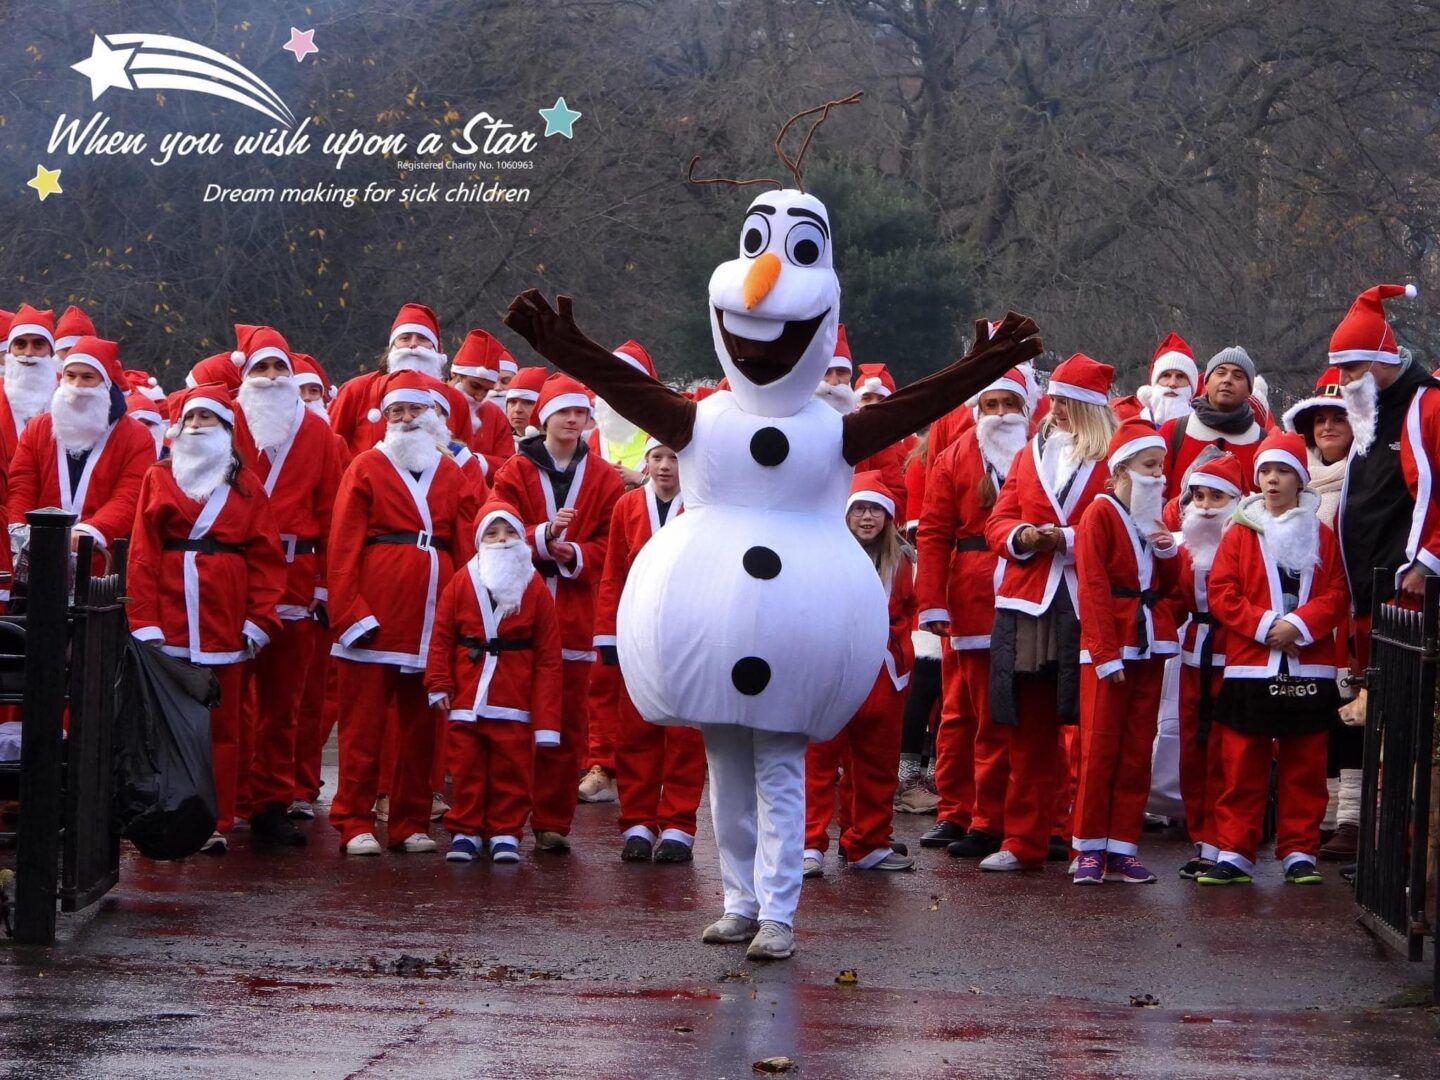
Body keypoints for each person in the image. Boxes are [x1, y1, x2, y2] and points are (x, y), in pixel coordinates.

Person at [127, 384, 287, 854]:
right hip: (172, 615)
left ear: (228, 431)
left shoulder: (247, 486)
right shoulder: (158, 478)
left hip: (224, 617)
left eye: (208, 420)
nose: (197, 427)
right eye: (191, 419)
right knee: (166, 725)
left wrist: (259, 618)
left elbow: (267, 557)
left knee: (224, 725)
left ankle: (216, 818)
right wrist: (145, 621)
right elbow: (142, 552)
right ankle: (164, 810)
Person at [327, 371, 479, 856]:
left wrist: (465, 620)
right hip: (375, 615)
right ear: (385, 418)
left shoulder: (452, 472)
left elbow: (468, 542)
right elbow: (343, 546)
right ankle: (353, 819)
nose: (408, 418)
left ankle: (410, 819)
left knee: (423, 728)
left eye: (417, 410)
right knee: (363, 726)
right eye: (398, 411)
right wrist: (349, 612)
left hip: (432, 615)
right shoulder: (366, 467)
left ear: (434, 416)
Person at [983, 352, 1117, 871]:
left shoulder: (1116, 456)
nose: (1055, 409)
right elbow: (1000, 520)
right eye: (1054, 399)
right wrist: (1020, 536)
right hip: (1028, 601)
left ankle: (1083, 836)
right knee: (1028, 727)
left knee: (1090, 730)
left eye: (1067, 402)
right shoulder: (1028, 455)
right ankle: (1023, 840)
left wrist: (1065, 537)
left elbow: (1132, 529)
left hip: (1089, 602)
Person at [1199, 432, 1349, 885]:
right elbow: (1222, 593)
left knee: (1304, 763)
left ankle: (1299, 850)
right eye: (1265, 471)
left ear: (1300, 479)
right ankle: (1235, 851)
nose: (1272, 479)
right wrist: (1268, 627)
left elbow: (1338, 593)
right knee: (1243, 762)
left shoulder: (1322, 533)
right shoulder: (1240, 534)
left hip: (1308, 663)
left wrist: (1299, 626)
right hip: (1251, 663)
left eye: (1282, 471)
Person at [491, 373, 623, 852]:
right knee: (512, 717)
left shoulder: (605, 477)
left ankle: (551, 820)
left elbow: (615, 544)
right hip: (519, 609)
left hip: (574, 612)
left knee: (568, 723)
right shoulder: (515, 470)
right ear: (545, 417)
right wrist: (543, 536)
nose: (573, 420)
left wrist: (578, 554)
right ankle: (504, 820)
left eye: (581, 413)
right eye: (564, 411)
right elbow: (491, 528)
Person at [231, 327, 345, 846]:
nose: (272, 378)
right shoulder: (223, 425)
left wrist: (323, 588)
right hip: (231, 578)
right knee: (228, 695)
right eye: (261, 369)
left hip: (296, 580)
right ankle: (224, 796)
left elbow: (333, 519)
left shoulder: (323, 437)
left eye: (280, 369)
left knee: (284, 701)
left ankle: (271, 801)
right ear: (245, 376)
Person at [915, 367, 1031, 855]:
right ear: (977, 410)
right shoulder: (953, 457)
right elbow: (934, 532)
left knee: (996, 712)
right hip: (968, 596)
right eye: (992, 404)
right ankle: (955, 811)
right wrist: (931, 602)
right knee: (958, 712)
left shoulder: (1039, 456)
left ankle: (990, 815)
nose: (1001, 414)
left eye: (1010, 404)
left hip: (1024, 590)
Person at [1071, 419, 1180, 884]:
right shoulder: (1098, 514)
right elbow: (1092, 585)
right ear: (1120, 472)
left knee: (1138, 747)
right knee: (1099, 746)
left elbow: (1171, 589)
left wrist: (1169, 553)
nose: (1157, 476)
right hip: (1111, 645)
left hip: (1149, 642)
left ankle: (1123, 845)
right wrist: (1105, 652)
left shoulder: (1153, 519)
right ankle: (1089, 846)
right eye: (1147, 466)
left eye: (1160, 467)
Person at [425, 500, 563, 863]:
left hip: (513, 697)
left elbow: (549, 657)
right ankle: (466, 830)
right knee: (466, 767)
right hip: (467, 695)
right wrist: (439, 681)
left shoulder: (534, 587)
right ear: (479, 540)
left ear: (522, 538)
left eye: (509, 532)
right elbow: (441, 634)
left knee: (511, 768)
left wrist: (546, 718)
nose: (501, 539)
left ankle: (505, 830)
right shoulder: (461, 581)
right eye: (492, 532)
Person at [595, 440, 706, 861]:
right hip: (638, 635)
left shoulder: (701, 510)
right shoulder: (626, 507)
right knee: (635, 730)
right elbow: (612, 576)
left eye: (674, 458)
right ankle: (638, 822)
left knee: (685, 734)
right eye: (657, 457)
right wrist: (607, 636)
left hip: (687, 637)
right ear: (645, 461)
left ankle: (679, 825)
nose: (664, 466)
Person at [803, 472, 917, 876]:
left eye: (875, 510)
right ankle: (809, 844)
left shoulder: (904, 561)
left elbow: (910, 611)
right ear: (845, 514)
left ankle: (867, 842)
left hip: (885, 672)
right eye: (859, 509)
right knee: (818, 759)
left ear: (887, 517)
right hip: (832, 667)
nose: (867, 518)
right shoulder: (823, 554)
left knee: (877, 761)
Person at [1283, 369, 1363, 861]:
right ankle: (1326, 814)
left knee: (1353, 712)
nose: (1329, 427)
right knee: (1318, 712)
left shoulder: (1368, 472)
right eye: (1321, 420)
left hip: (1351, 612)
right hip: (1305, 616)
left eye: (1340, 418)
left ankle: (1352, 817)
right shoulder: (1293, 475)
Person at [579, 341, 660, 804]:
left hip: (650, 572)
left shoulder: (658, 431)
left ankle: (651, 767)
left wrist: (641, 480)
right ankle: (601, 763)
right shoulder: (590, 436)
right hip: (597, 570)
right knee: (601, 676)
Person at [1330, 284, 1437, 633]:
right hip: (1367, 594)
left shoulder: (1429, 406)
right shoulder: (1366, 408)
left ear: (1382, 357)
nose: (1342, 380)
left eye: (1352, 367)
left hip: (1411, 595)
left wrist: (1428, 563)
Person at [7, 337, 155, 564]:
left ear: (105, 383)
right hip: (36, 559)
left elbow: (130, 495)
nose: (77, 385)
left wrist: (92, 531)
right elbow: (22, 486)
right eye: (70, 375)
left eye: (88, 377)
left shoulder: (136, 435)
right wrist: (17, 532)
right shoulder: (38, 428)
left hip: (101, 560)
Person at [1168, 454, 1244, 879]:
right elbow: (1174, 602)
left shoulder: (1250, 542)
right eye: (1198, 495)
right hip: (1192, 653)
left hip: (1235, 655)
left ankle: (1226, 840)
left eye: (1216, 496)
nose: (1206, 505)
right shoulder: (1184, 548)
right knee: (1192, 750)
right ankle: (1202, 838)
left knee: (1227, 751)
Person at [329, 304, 470, 455]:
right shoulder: (356, 390)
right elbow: (332, 447)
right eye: (405, 338)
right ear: (392, 347)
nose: (413, 344)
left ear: (435, 349)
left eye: (422, 339)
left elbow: (465, 459)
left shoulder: (455, 400)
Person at [1160, 346, 1268, 499]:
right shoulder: (1174, 431)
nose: (1227, 380)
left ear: (1249, 391)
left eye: (1237, 376)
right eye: (1220, 373)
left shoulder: (1262, 442)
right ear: (1206, 382)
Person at [449, 328, 517, 478]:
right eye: (474, 386)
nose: (479, 397)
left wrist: (476, 461)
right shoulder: (434, 407)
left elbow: (509, 466)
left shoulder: (494, 414)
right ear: (455, 376)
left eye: (487, 390)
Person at [0, 304, 58, 474]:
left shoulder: (70, 391)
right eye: (20, 344)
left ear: (51, 352)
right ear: (10, 351)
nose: (28, 353)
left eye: (38, 345)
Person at [1111, 333, 1198, 425]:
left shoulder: (1204, 431)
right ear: (1155, 383)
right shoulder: (1132, 428)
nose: (1172, 383)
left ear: (1191, 386)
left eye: (1180, 376)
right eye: (1166, 376)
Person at [504, 366, 547, 443]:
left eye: (528, 402)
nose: (518, 409)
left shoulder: (555, 449)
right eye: (513, 401)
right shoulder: (499, 443)